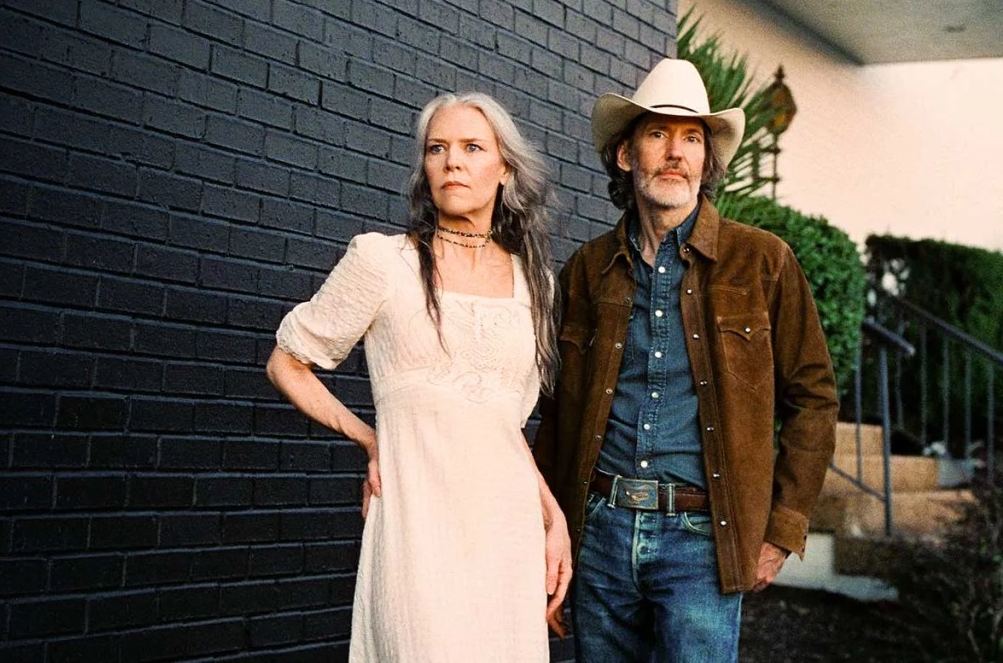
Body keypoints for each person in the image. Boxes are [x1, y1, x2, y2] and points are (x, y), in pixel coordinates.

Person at [533, 58, 839, 661]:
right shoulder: (586, 271)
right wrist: (547, 531)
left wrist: (780, 530)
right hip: (600, 530)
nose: (676, 153)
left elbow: (814, 399)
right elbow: (554, 414)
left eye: (692, 138)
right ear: (626, 156)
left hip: (704, 537)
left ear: (707, 162)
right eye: (658, 134)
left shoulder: (763, 262)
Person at [266, 92, 572, 662]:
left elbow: (503, 428)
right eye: (438, 149)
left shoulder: (537, 286)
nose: (452, 161)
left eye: (472, 147)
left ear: (504, 169)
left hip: (506, 532)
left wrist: (553, 518)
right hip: (417, 526)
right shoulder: (383, 262)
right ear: (425, 168)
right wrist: (369, 438)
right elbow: (287, 362)